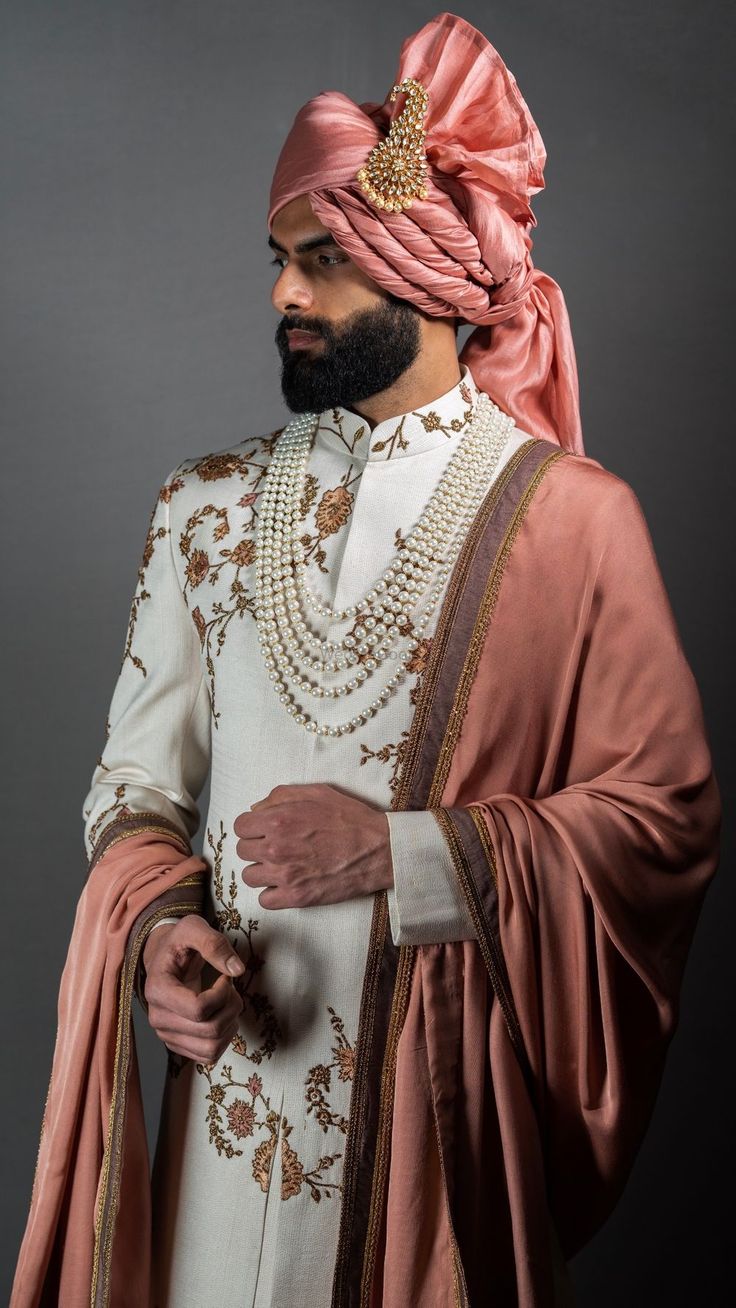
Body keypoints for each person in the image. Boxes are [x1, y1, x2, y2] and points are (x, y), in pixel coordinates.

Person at [11, 11, 720, 1307]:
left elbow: (662, 820)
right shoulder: (204, 506)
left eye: (324, 260)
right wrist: (162, 933)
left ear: (428, 266)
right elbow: (133, 790)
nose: (285, 294)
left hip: (438, 1146)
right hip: (222, 1150)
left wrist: (405, 859)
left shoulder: (569, 522)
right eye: (280, 260)